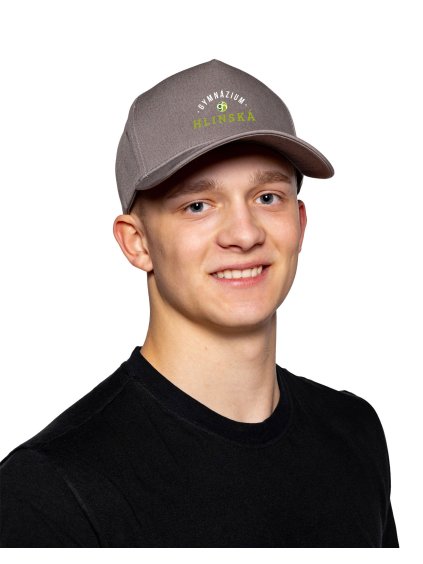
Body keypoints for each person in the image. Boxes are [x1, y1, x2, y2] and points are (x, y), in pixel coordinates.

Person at [0, 59, 399, 547]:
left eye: (267, 197)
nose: (244, 234)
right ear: (137, 243)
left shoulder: (355, 433)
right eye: (197, 205)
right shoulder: (49, 492)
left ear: (300, 222)